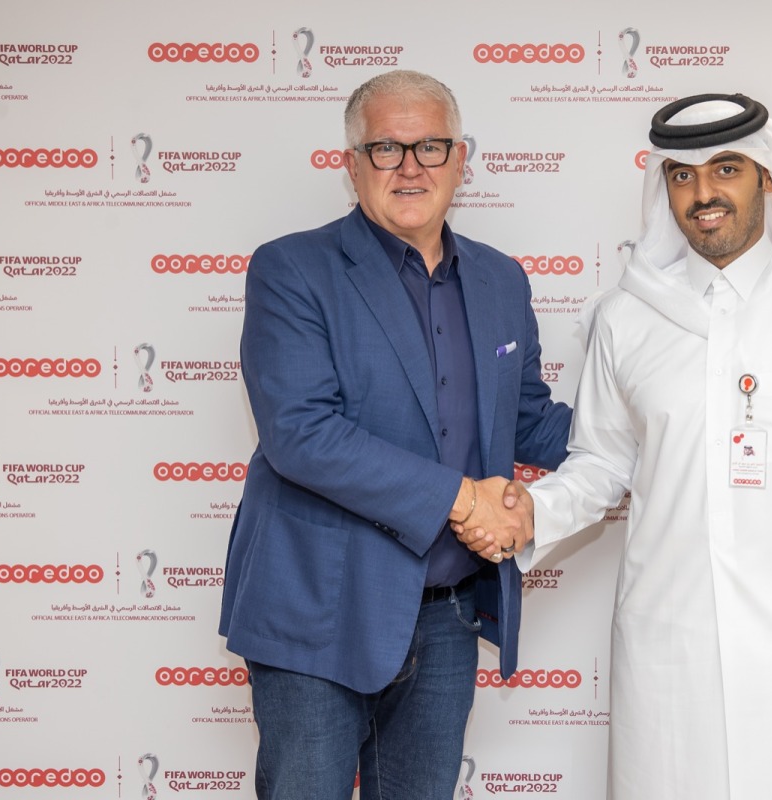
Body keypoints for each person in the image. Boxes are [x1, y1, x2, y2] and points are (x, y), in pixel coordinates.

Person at [459, 93, 772, 798]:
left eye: (727, 169)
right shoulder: (627, 318)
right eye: (683, 175)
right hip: (671, 650)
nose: (704, 192)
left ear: (766, 177)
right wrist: (531, 512)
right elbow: (600, 462)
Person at [218, 69, 570, 800]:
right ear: (352, 166)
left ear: (461, 160)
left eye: (431, 147)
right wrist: (462, 500)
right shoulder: (292, 269)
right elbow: (301, 433)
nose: (411, 167)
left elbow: (529, 418)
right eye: (385, 148)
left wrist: (667, 429)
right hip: (316, 610)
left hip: (445, 616)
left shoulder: (503, 280)